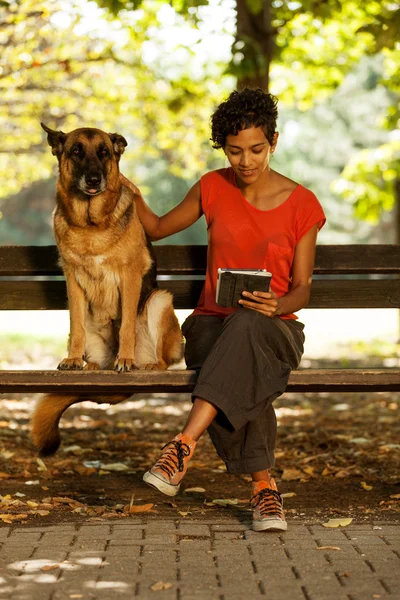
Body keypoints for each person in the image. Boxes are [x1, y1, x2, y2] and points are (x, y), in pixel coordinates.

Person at [121, 88, 326, 532]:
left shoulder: (302, 203)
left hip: (277, 328)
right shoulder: (212, 187)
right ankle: (264, 491)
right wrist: (129, 191)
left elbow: (303, 288)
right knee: (239, 364)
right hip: (214, 323)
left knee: (248, 332)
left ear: (274, 141)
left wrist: (277, 304)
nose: (245, 161)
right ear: (223, 149)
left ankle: (182, 445)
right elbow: (155, 228)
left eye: (256, 149)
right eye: (234, 151)